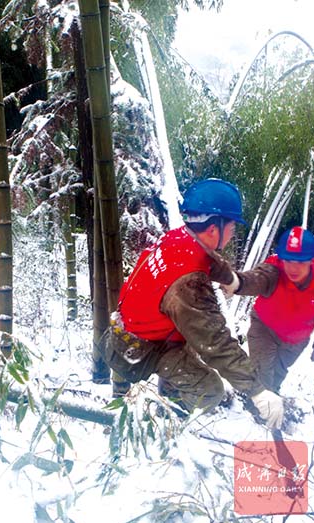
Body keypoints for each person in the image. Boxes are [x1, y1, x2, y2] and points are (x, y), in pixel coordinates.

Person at [101, 178, 284, 428]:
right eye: (232, 226)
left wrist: (231, 279)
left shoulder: (177, 238)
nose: (233, 233)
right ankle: (156, 426)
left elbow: (206, 259)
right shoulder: (188, 285)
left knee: (184, 346)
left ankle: (151, 393)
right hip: (142, 350)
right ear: (213, 229)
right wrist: (256, 390)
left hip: (122, 331)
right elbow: (214, 341)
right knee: (209, 390)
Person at [215, 226, 314, 393]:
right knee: (263, 375)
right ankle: (259, 412)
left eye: (300, 262)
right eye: (288, 260)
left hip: (296, 341)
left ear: (311, 260)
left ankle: (266, 401)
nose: (293, 268)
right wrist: (236, 282)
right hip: (264, 329)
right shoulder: (274, 269)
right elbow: (257, 278)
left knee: (278, 376)